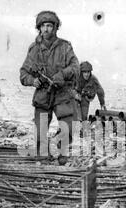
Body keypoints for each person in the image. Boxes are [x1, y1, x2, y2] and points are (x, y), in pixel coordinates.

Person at [20, 11, 79, 156]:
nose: (46, 29)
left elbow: (75, 67)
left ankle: (59, 149)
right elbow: (23, 74)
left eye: (49, 26)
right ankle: (42, 156)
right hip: (43, 94)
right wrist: (33, 81)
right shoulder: (34, 49)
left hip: (61, 93)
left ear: (55, 28)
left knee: (70, 128)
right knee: (40, 132)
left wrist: (62, 74)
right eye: (43, 26)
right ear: (39, 28)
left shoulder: (65, 47)